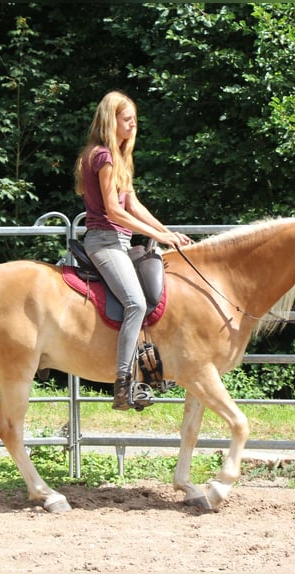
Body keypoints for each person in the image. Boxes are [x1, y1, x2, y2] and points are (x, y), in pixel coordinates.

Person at [73, 91, 191, 411]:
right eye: (127, 119)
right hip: (105, 242)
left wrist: (167, 233)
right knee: (136, 303)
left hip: (121, 243)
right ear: (112, 120)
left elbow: (133, 205)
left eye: (134, 119)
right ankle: (123, 384)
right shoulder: (103, 157)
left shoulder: (119, 157)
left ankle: (145, 373)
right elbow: (114, 212)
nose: (134, 124)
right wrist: (157, 235)